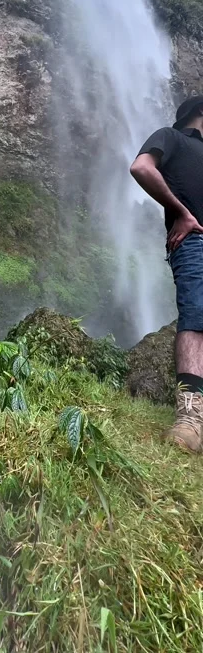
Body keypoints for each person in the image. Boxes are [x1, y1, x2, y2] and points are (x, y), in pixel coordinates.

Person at [130, 95, 203, 452]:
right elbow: (142, 167)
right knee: (196, 314)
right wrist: (182, 212)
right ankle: (190, 416)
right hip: (194, 241)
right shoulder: (172, 138)